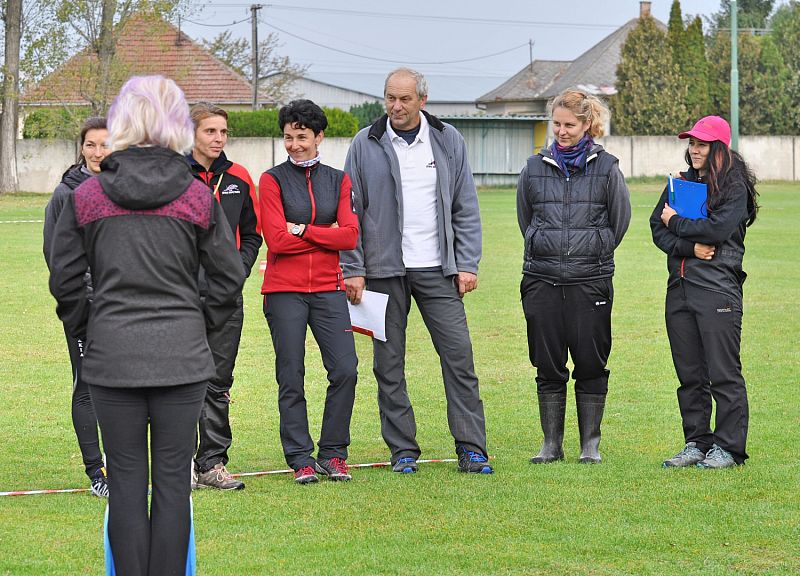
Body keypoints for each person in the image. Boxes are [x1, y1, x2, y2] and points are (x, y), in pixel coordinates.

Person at [48, 75, 245, 575]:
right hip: (180, 357)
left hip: (114, 357)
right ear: (179, 125)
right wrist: (195, 325)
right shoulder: (198, 198)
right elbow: (226, 280)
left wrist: (92, 328)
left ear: (121, 124)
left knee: (128, 482)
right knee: (174, 482)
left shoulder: (88, 196)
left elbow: (66, 281)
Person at [342, 67, 492, 475]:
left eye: (405, 99)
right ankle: (402, 450)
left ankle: (471, 448)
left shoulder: (447, 140)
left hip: (438, 271)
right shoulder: (364, 143)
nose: (396, 106)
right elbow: (349, 211)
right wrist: (353, 267)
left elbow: (465, 205)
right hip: (382, 273)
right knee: (388, 365)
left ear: (422, 101)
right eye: (390, 97)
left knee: (459, 358)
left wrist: (467, 263)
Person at [517, 88, 631, 465]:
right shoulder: (533, 167)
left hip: (590, 282)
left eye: (569, 125)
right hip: (542, 281)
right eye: (557, 124)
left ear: (586, 124)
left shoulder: (607, 167)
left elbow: (620, 221)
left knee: (591, 363)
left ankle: (590, 445)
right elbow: (525, 219)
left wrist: (592, 250)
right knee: (547, 364)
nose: (561, 132)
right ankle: (551, 444)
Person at [259, 99, 359, 485]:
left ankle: (333, 454)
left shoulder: (339, 179)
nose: (294, 144)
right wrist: (324, 235)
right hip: (284, 290)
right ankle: (300, 457)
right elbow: (277, 241)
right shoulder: (271, 180)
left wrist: (303, 229)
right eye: (287, 137)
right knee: (291, 374)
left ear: (319, 136)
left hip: (328, 290)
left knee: (346, 369)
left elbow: (350, 236)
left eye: (302, 136)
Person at [650, 115, 758, 469]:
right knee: (690, 375)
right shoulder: (680, 183)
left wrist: (676, 223)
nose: (695, 150)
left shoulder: (734, 188)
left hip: (718, 290)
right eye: (692, 144)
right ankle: (696, 442)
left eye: (702, 144)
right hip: (679, 287)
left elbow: (715, 230)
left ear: (719, 149)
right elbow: (656, 227)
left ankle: (729, 449)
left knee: (723, 372)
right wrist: (688, 248)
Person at [187, 103, 261, 491]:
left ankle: (212, 463)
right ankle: (179, 464)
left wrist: (238, 271)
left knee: (218, 380)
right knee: (179, 379)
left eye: (223, 132)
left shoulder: (239, 177)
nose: (218, 139)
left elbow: (252, 234)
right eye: (209, 131)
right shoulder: (175, 176)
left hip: (226, 297)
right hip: (180, 297)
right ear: (192, 133)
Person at [43, 116, 111, 497]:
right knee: (88, 386)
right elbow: (57, 257)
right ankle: (97, 473)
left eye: (105, 144)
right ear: (81, 148)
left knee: (125, 390)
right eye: (91, 145)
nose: (98, 152)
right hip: (86, 310)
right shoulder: (65, 193)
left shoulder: (125, 189)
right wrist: (82, 306)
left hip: (125, 308)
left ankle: (124, 467)